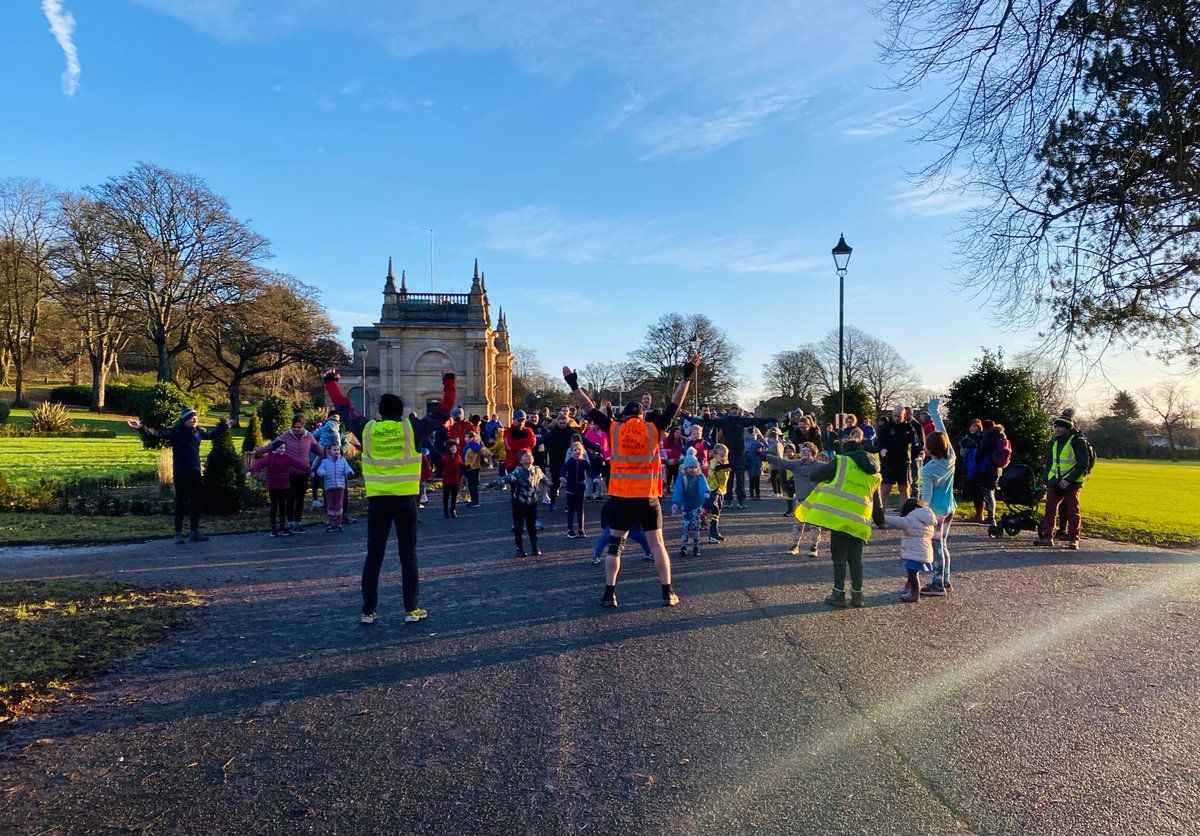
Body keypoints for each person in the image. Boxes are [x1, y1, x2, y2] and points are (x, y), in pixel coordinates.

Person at [562, 352, 699, 608]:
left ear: (623, 415)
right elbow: (675, 403)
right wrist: (687, 375)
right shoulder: (653, 428)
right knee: (657, 545)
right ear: (643, 416)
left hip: (621, 498)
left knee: (615, 545)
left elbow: (588, 408)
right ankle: (667, 592)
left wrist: (573, 384)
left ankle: (609, 593)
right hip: (648, 497)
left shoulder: (614, 428)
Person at [324, 367, 456, 626]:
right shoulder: (412, 429)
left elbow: (342, 406)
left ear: (380, 411)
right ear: (401, 411)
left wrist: (331, 381)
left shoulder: (367, 429)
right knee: (409, 555)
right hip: (406, 500)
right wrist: (448, 381)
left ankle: (368, 611)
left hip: (378, 501)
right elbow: (444, 409)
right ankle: (411, 609)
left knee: (374, 556)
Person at [797, 427, 883, 609]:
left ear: (846, 450)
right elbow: (876, 500)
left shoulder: (841, 461)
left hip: (840, 518)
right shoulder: (874, 472)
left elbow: (816, 475)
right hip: (860, 521)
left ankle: (838, 594)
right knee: (856, 559)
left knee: (839, 557)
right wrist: (880, 520)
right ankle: (858, 596)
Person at [128, 407, 230, 544]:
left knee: (196, 502)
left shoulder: (198, 432)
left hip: (195, 472)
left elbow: (212, 435)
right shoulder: (176, 432)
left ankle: (195, 532)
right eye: (191, 417)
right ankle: (178, 534)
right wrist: (141, 426)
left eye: (196, 417)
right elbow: (158, 433)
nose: (194, 419)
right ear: (184, 420)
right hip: (181, 472)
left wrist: (227, 426)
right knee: (181, 502)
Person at [686, 405, 774, 508]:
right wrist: (706, 417)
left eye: (736, 409)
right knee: (728, 477)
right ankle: (728, 499)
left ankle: (741, 500)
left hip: (740, 453)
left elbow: (756, 420)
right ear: (730, 411)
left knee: (740, 478)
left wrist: (769, 419)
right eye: (732, 409)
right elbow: (711, 422)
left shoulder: (742, 420)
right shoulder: (724, 421)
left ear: (738, 411)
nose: (734, 411)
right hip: (727, 454)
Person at [257, 414, 325, 533]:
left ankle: (298, 522)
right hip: (289, 473)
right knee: (290, 498)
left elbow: (318, 449)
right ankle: (290, 522)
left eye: (299, 427)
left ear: (303, 427)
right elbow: (272, 445)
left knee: (300, 499)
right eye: (294, 427)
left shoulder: (309, 436)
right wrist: (257, 450)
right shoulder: (286, 436)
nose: (296, 429)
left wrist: (331, 454)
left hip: (303, 473)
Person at [1035, 410, 1091, 550]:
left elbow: (1082, 463)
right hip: (1055, 481)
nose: (1057, 429)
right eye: (1056, 426)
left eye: (1061, 426)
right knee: (1050, 510)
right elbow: (1050, 461)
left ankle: (1073, 539)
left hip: (1072, 483)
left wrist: (1068, 479)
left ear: (1068, 428)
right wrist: (1046, 480)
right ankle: (1047, 536)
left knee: (1073, 511)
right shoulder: (1054, 440)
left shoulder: (1078, 441)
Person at [920, 399, 956, 595]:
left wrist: (919, 512)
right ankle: (946, 579)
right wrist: (934, 411)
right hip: (949, 507)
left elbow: (925, 497)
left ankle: (938, 584)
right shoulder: (951, 457)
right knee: (943, 545)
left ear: (931, 449)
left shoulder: (929, 470)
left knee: (937, 547)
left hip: (936, 512)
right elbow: (944, 433)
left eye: (926, 445)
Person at [762, 441, 824, 556]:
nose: (805, 452)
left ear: (813, 453)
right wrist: (766, 456)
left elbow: (833, 469)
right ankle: (794, 545)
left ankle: (814, 546)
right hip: (800, 500)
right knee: (798, 524)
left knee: (815, 525)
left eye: (808, 451)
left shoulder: (820, 466)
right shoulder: (796, 465)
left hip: (815, 501)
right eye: (803, 451)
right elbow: (781, 461)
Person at [488, 449, 549, 556]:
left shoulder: (537, 470)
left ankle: (534, 547)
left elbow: (545, 479)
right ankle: (519, 548)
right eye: (525, 456)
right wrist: (492, 484)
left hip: (532, 501)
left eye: (529, 455)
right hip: (519, 502)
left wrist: (554, 485)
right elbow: (505, 479)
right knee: (519, 526)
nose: (528, 457)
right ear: (520, 461)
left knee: (532, 526)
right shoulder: (517, 472)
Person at [248, 439, 313, 537]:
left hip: (284, 485)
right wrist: (251, 471)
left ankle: (282, 527)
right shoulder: (269, 457)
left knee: (283, 507)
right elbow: (260, 464)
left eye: (284, 448)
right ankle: (274, 529)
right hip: (273, 486)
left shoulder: (286, 457)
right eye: (280, 448)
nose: (283, 450)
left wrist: (309, 470)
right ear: (275, 448)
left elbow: (298, 464)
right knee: (274, 507)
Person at [884, 498, 938, 603]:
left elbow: (896, 520)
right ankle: (910, 588)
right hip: (924, 551)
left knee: (913, 574)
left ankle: (915, 594)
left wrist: (880, 517)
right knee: (913, 573)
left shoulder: (911, 519)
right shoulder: (927, 519)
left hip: (914, 552)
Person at [875, 405, 917, 512]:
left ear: (904, 415)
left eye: (899, 416)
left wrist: (918, 452)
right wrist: (882, 449)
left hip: (903, 462)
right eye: (894, 415)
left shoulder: (909, 427)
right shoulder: (887, 426)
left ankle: (904, 516)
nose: (896, 418)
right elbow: (880, 441)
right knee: (885, 490)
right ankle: (881, 517)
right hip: (888, 462)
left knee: (904, 489)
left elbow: (915, 443)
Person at [671, 450, 710, 556]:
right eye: (690, 467)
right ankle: (683, 546)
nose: (693, 469)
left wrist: (706, 492)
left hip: (697, 504)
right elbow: (678, 489)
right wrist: (676, 503)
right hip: (686, 504)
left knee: (695, 526)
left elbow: (703, 485)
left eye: (695, 467)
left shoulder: (700, 476)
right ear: (685, 468)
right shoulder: (682, 477)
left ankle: (696, 546)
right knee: (685, 525)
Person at [315, 444, 355, 532]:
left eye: (338, 450)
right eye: (334, 450)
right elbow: (319, 470)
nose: (336, 451)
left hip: (340, 486)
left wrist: (350, 472)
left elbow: (347, 468)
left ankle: (339, 523)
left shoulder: (343, 460)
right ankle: (331, 523)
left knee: (339, 505)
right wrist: (322, 472)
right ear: (329, 451)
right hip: (329, 486)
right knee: (330, 505)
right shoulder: (325, 461)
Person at [559, 440, 591, 538]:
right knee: (571, 509)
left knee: (580, 509)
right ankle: (570, 530)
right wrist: (562, 477)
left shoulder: (584, 463)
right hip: (570, 488)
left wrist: (595, 479)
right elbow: (563, 470)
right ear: (571, 452)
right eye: (575, 450)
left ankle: (581, 529)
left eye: (579, 450)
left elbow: (590, 472)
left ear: (582, 451)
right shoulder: (570, 462)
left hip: (581, 489)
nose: (577, 451)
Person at [959, 419, 984, 522]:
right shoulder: (967, 438)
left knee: (978, 493)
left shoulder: (980, 439)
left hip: (977, 468)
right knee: (974, 492)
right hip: (969, 467)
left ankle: (980, 514)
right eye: (971, 426)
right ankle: (978, 514)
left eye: (975, 426)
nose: (972, 428)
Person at [705, 443, 731, 543]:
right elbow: (717, 469)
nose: (724, 458)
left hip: (721, 490)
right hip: (714, 491)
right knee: (715, 510)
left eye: (725, 455)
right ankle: (712, 535)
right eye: (721, 456)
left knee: (717, 512)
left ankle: (715, 532)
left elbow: (728, 468)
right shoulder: (714, 463)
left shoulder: (725, 463)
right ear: (715, 455)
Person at [439, 438, 464, 519]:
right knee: (446, 496)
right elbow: (441, 466)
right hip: (447, 479)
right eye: (451, 447)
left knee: (454, 495)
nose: (453, 448)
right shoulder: (445, 458)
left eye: (454, 447)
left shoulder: (458, 457)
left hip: (456, 479)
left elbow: (460, 465)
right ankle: (445, 510)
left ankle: (453, 509)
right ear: (448, 449)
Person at [462, 429, 483, 508]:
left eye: (467, 437)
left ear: (472, 438)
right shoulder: (466, 447)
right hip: (468, 467)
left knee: (473, 485)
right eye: (465, 437)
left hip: (474, 468)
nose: (465, 439)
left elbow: (480, 449)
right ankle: (473, 500)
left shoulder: (474, 446)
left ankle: (475, 501)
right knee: (470, 485)